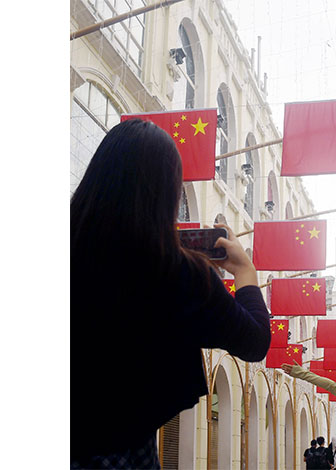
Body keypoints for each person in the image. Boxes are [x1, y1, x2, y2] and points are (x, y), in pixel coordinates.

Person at [70, 119, 271, 468]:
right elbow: (254, 341)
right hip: (123, 452)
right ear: (168, 194)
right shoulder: (179, 274)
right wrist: (244, 271)